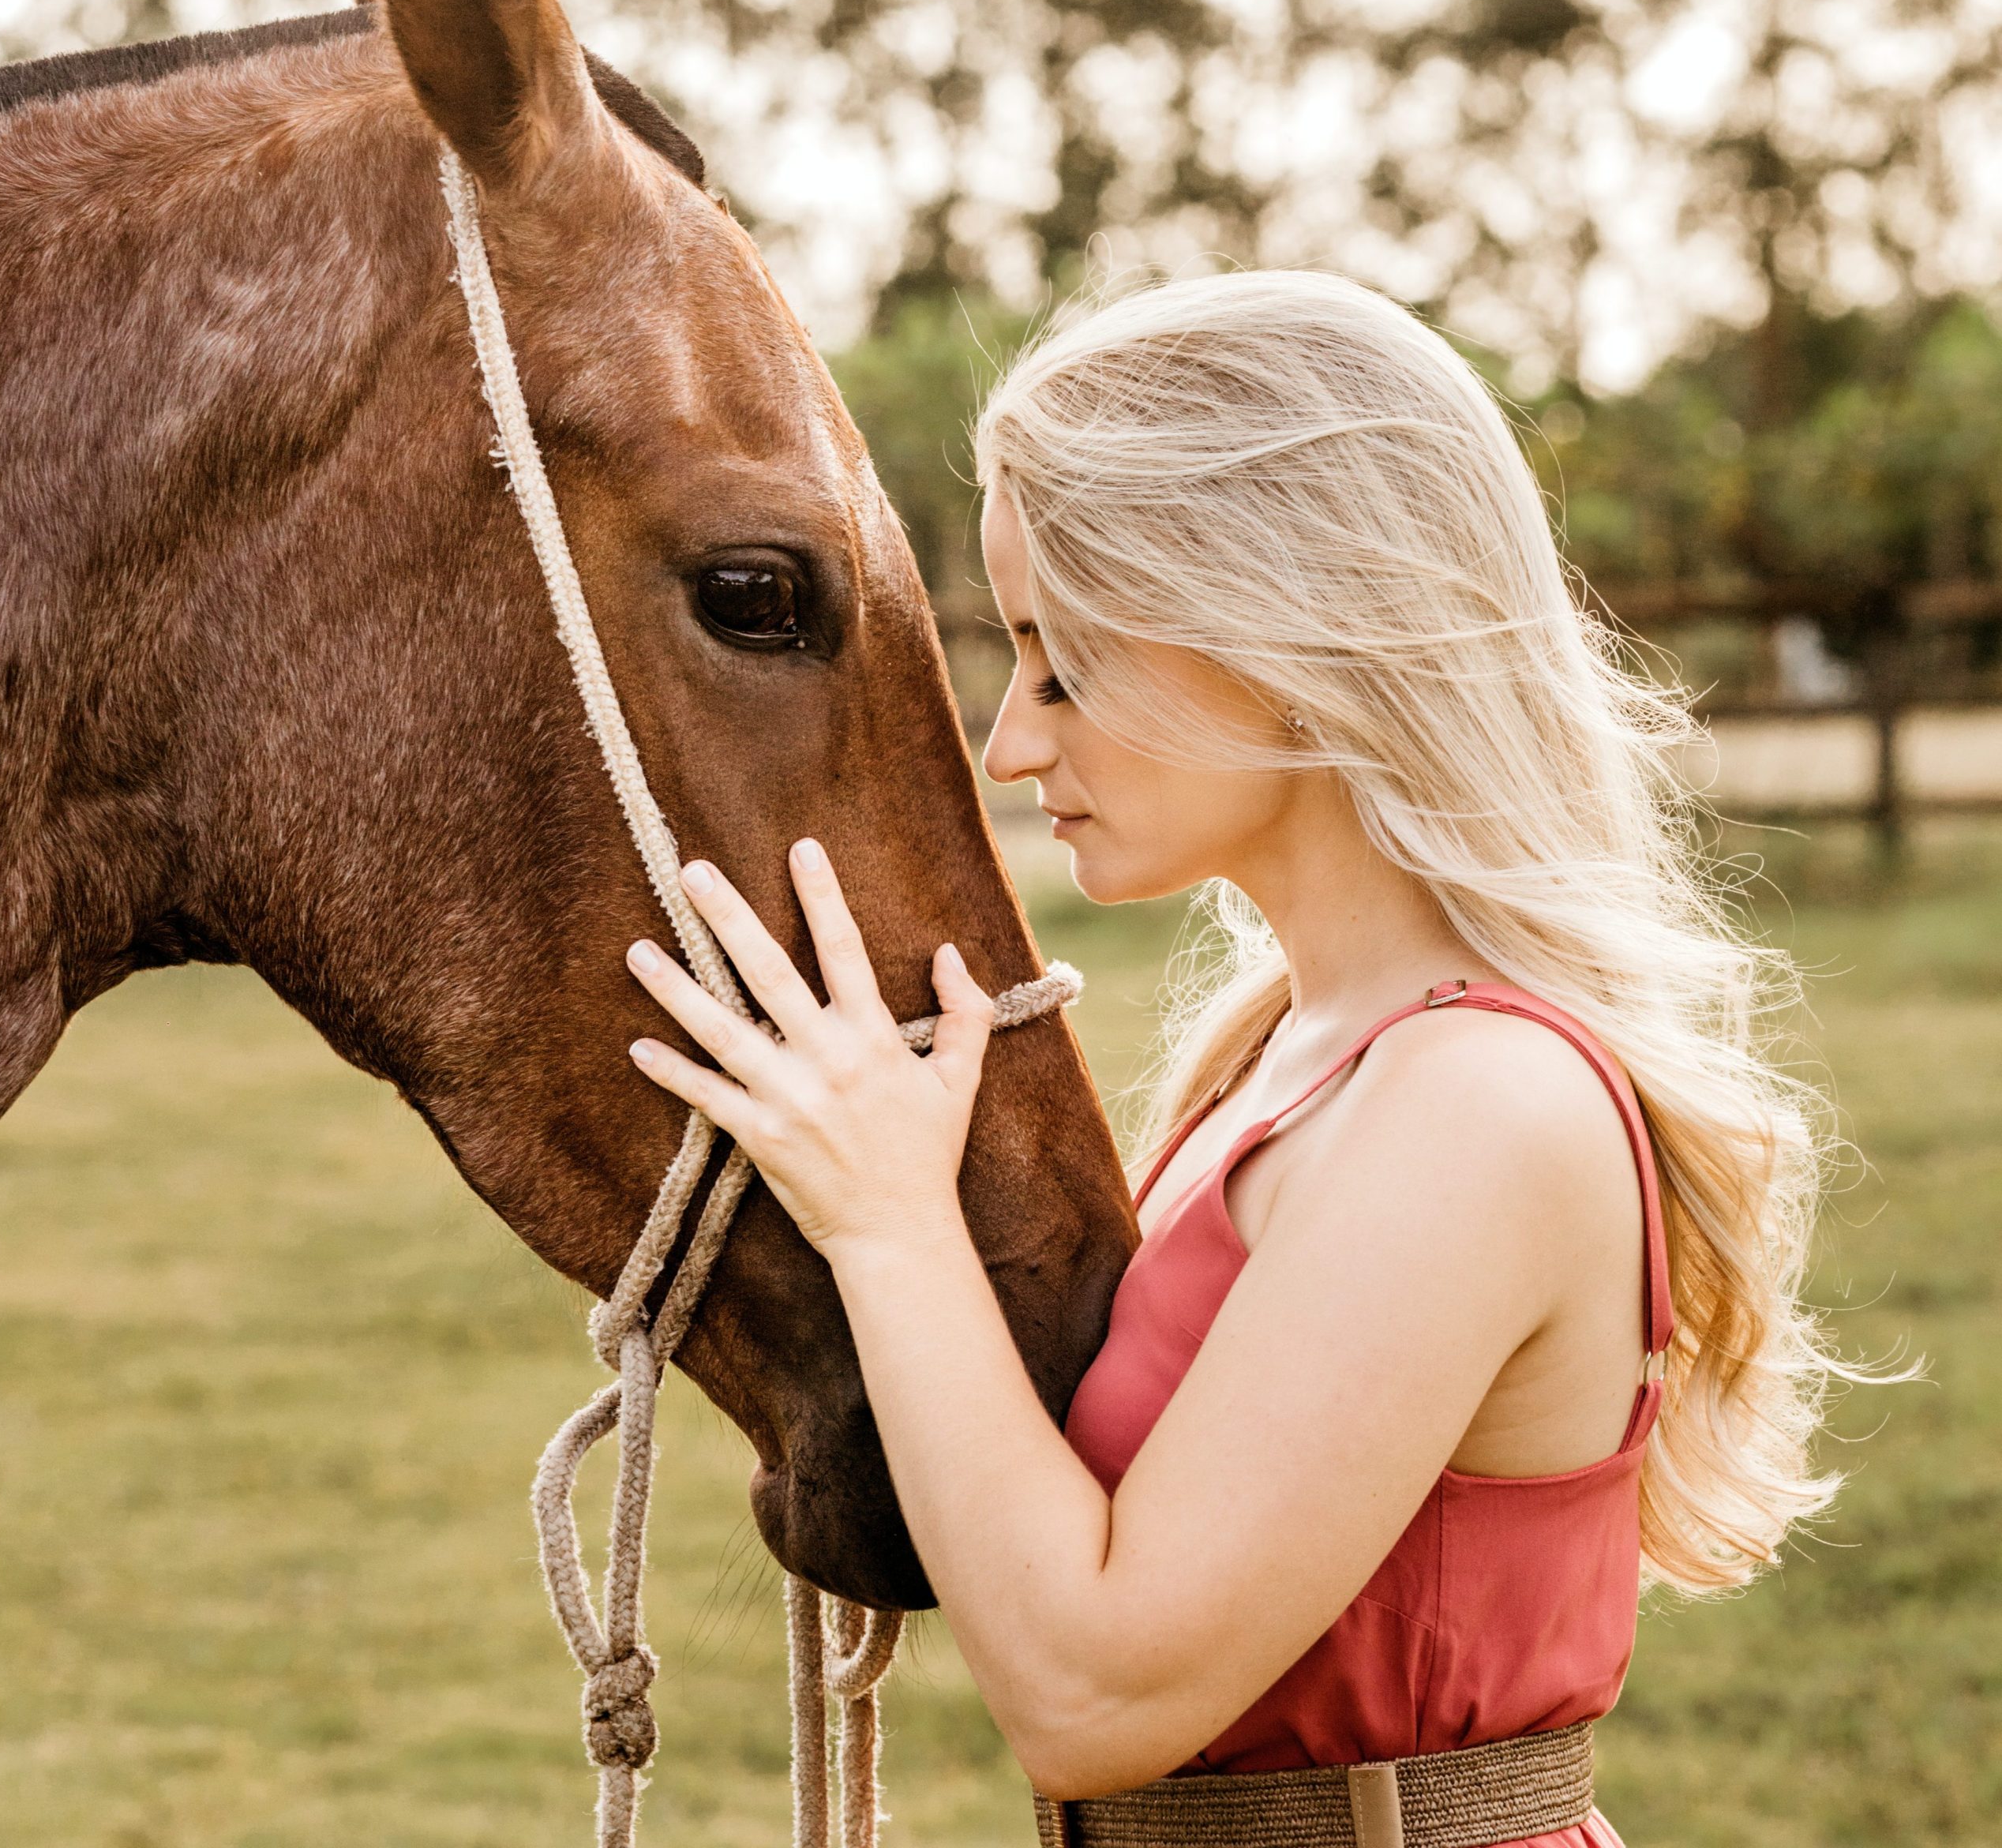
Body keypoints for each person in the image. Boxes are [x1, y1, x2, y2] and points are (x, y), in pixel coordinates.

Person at [620, 271, 1844, 1848]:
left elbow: (1094, 1692)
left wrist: (886, 1213)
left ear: (1288, 631)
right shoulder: (1276, 1054)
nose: (1011, 739)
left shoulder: (1476, 1104)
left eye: (1065, 660)